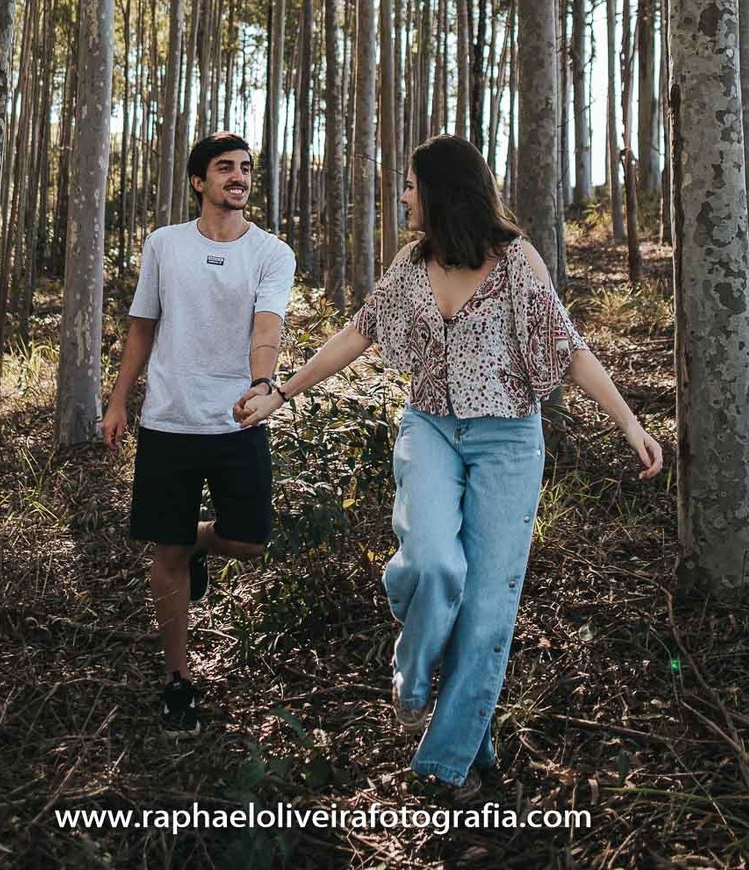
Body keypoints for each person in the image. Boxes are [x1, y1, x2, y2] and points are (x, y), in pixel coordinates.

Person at [237, 133, 662, 797]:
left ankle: (451, 760)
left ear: (442, 191)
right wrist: (283, 390)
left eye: (411, 184)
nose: (403, 195)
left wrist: (630, 422)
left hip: (508, 442)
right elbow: (359, 329)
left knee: (487, 607)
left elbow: (568, 347)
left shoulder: (517, 262)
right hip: (430, 429)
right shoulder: (413, 262)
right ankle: (415, 666)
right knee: (433, 564)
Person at [103, 132, 295, 734]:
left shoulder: (271, 252)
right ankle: (178, 680)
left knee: (250, 539)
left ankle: (199, 542)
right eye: (225, 168)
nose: (238, 176)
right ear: (198, 181)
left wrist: (262, 385)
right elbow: (141, 328)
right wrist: (117, 401)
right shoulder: (165, 244)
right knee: (164, 554)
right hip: (168, 420)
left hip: (238, 417)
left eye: (245, 168)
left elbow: (267, 327)